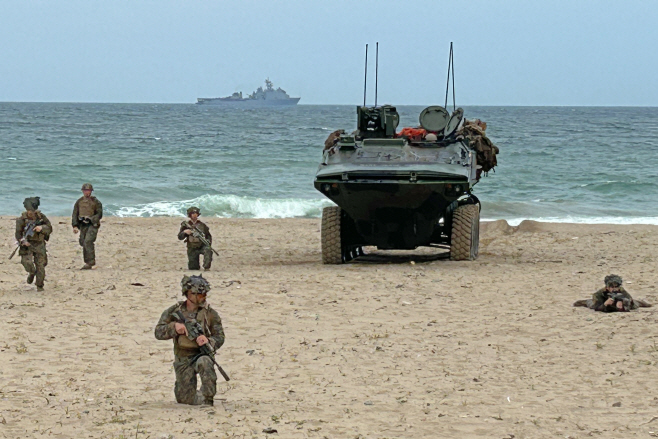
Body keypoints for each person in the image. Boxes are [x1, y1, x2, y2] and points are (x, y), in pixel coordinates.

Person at [154, 275, 225, 406]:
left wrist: (209, 341)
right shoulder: (174, 311)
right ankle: (196, 394)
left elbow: (220, 336)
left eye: (204, 294)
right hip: (183, 358)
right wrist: (174, 328)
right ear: (188, 294)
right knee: (185, 399)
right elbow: (158, 332)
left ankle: (208, 398)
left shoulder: (210, 314)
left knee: (205, 362)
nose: (202, 297)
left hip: (201, 354)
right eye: (199, 294)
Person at [15, 197, 52, 291]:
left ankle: (39, 285)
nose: (30, 212)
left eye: (32, 210)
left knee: (41, 265)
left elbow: (49, 228)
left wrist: (42, 228)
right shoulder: (21, 219)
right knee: (26, 262)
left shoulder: (41, 217)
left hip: (39, 243)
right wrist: (23, 241)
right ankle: (31, 273)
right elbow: (18, 234)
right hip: (27, 245)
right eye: (29, 210)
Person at [573, 274, 651, 312]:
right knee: (590, 304)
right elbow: (597, 308)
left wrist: (623, 304)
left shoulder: (621, 291)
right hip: (601, 302)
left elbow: (632, 304)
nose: (614, 289)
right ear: (607, 287)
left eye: (616, 286)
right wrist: (605, 304)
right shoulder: (599, 293)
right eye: (612, 287)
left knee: (637, 303)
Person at [72, 183, 103, 269]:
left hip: (93, 225)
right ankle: (88, 261)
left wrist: (91, 219)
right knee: (83, 242)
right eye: (85, 190)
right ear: (82, 191)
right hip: (83, 225)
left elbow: (99, 214)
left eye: (88, 190)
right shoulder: (79, 202)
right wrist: (75, 225)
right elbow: (75, 214)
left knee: (88, 241)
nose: (87, 192)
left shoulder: (96, 202)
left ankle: (89, 262)